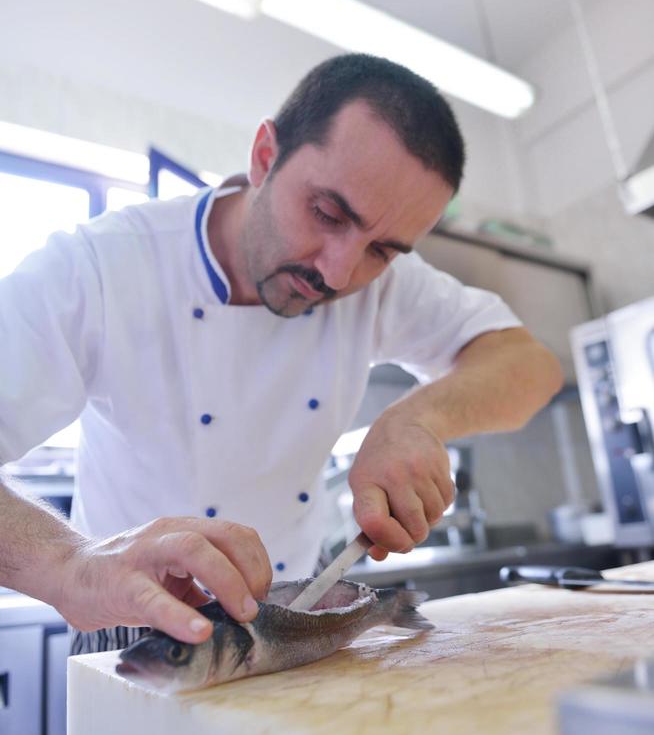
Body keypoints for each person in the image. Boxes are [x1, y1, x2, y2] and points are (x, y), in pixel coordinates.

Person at [0, 53, 563, 651]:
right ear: (265, 157)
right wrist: (73, 566)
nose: (340, 272)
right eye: (326, 213)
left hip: (301, 613)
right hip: (133, 625)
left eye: (383, 250)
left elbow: (530, 365)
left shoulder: (380, 284)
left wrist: (418, 419)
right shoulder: (100, 267)